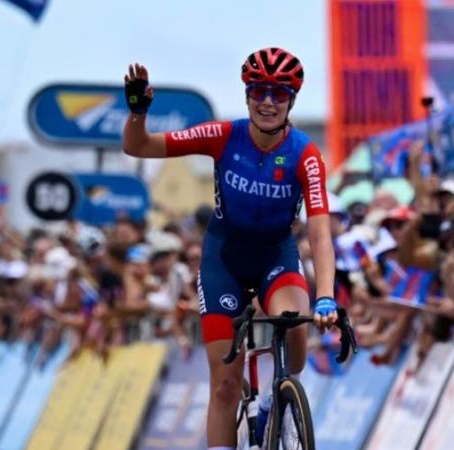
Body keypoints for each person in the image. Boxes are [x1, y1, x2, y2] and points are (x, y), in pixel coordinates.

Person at [122, 47, 338, 450]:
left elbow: (320, 233)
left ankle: (279, 399)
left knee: (296, 332)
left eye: (279, 93)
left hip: (276, 255)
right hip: (225, 259)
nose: (268, 102)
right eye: (259, 91)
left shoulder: (306, 154)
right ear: (247, 95)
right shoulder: (223, 135)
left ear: (292, 100)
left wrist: (326, 297)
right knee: (223, 384)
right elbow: (140, 147)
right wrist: (137, 112)